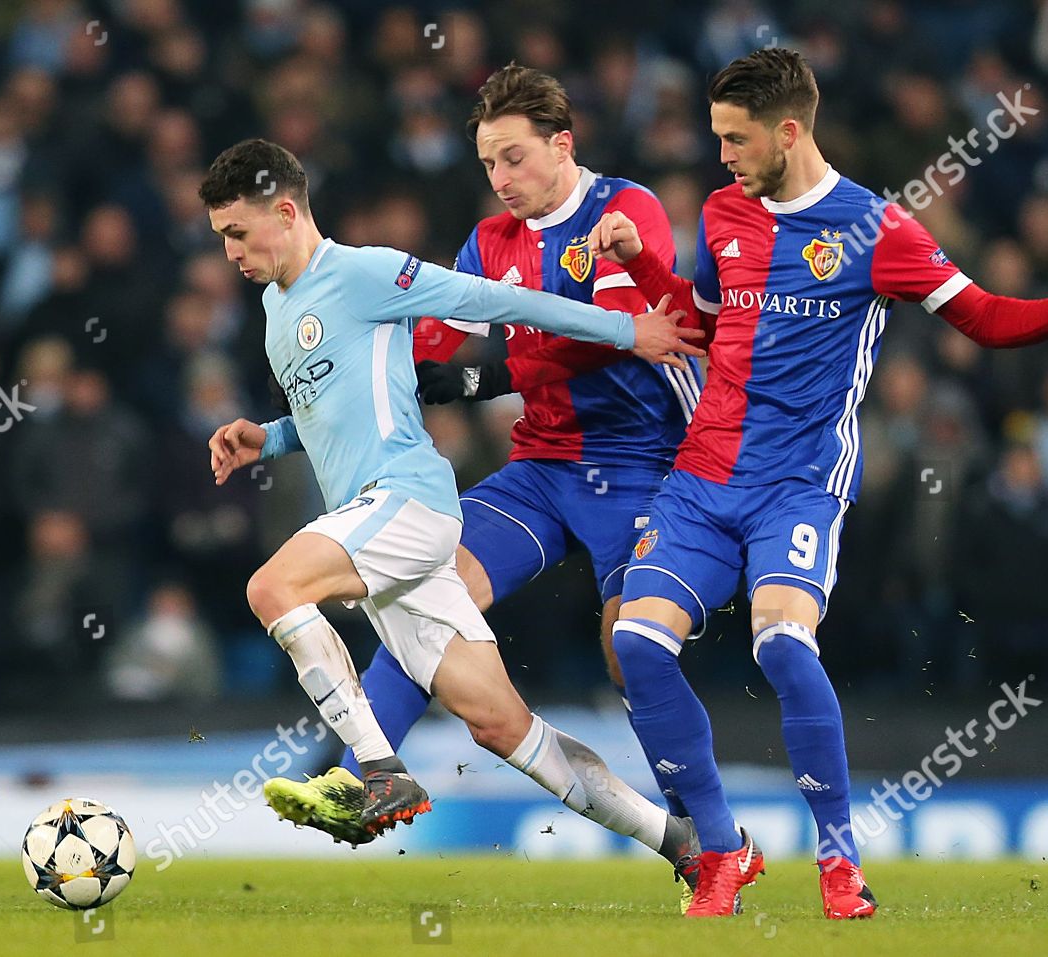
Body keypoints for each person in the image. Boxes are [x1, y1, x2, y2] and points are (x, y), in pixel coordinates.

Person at [588, 48, 1048, 917]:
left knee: (781, 642)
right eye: (716, 139)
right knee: (635, 642)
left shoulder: (875, 229)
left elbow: (983, 317)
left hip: (799, 486)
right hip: (702, 478)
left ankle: (839, 859)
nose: (723, 156)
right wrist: (646, 266)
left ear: (788, 131)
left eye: (736, 140)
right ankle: (721, 851)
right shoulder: (724, 212)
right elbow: (701, 320)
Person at [198, 138, 708, 885]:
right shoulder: (278, 310)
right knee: (504, 726)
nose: (230, 253)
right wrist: (267, 439)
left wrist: (630, 330)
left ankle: (375, 769)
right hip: (376, 531)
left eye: (237, 233)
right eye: (220, 239)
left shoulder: (365, 271)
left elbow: (500, 302)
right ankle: (680, 842)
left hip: (408, 502)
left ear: (284, 211)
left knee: (271, 588)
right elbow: (340, 416)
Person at [341, 64, 708, 903]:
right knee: (422, 582)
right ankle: (368, 775)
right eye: (488, 165)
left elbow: (622, 336)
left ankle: (702, 839)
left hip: (646, 464)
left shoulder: (626, 212)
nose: (501, 180)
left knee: (632, 652)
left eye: (513, 159)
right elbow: (433, 334)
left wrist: (480, 381)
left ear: (562, 145)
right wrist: (355, 368)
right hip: (542, 468)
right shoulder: (488, 242)